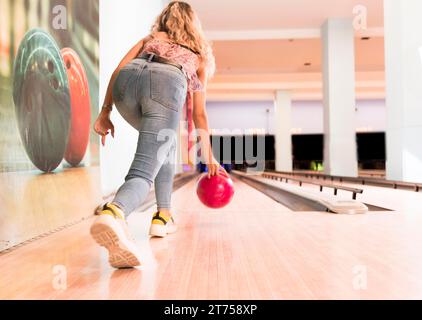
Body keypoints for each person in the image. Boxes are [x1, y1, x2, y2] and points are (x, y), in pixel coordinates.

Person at [90, 1, 225, 269]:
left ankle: (163, 216)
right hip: (165, 86)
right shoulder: (197, 55)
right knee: (143, 173)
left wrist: (105, 112)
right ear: (193, 24)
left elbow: (118, 70)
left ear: (164, 20)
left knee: (166, 144)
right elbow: (199, 114)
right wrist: (209, 155)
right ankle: (115, 211)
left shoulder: (151, 38)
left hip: (126, 87)